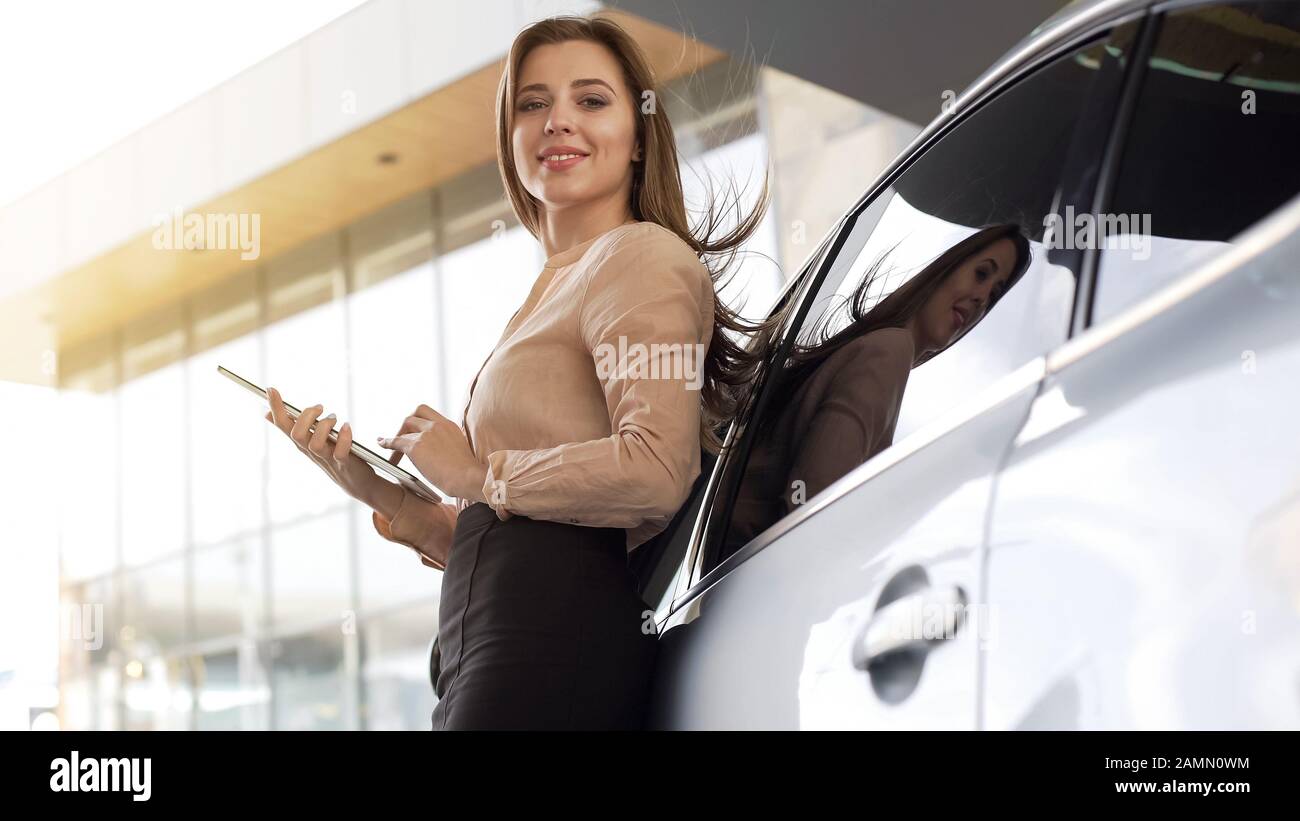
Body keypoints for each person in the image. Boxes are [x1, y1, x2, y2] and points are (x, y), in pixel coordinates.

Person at [263, 13, 776, 730]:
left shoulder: (642, 258)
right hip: (493, 656)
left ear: (637, 139)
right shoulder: (555, 286)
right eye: (533, 104)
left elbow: (657, 470)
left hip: (544, 659)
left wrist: (478, 473)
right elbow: (520, 529)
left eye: (591, 101)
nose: (557, 121)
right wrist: (385, 490)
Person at [723, 224, 1031, 556]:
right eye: (981, 274)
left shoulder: (879, 348)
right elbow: (812, 507)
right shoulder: (889, 351)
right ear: (945, 269)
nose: (981, 298)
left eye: (994, 295)